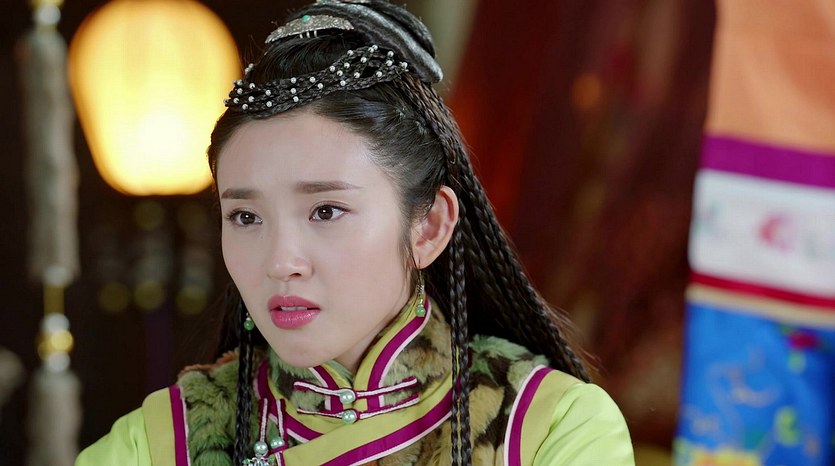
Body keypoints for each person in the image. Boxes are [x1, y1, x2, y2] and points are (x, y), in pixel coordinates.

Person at [76, 1, 634, 465]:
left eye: (326, 211)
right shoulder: (164, 441)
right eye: (246, 217)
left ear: (429, 226)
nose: (280, 261)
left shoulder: (546, 427)